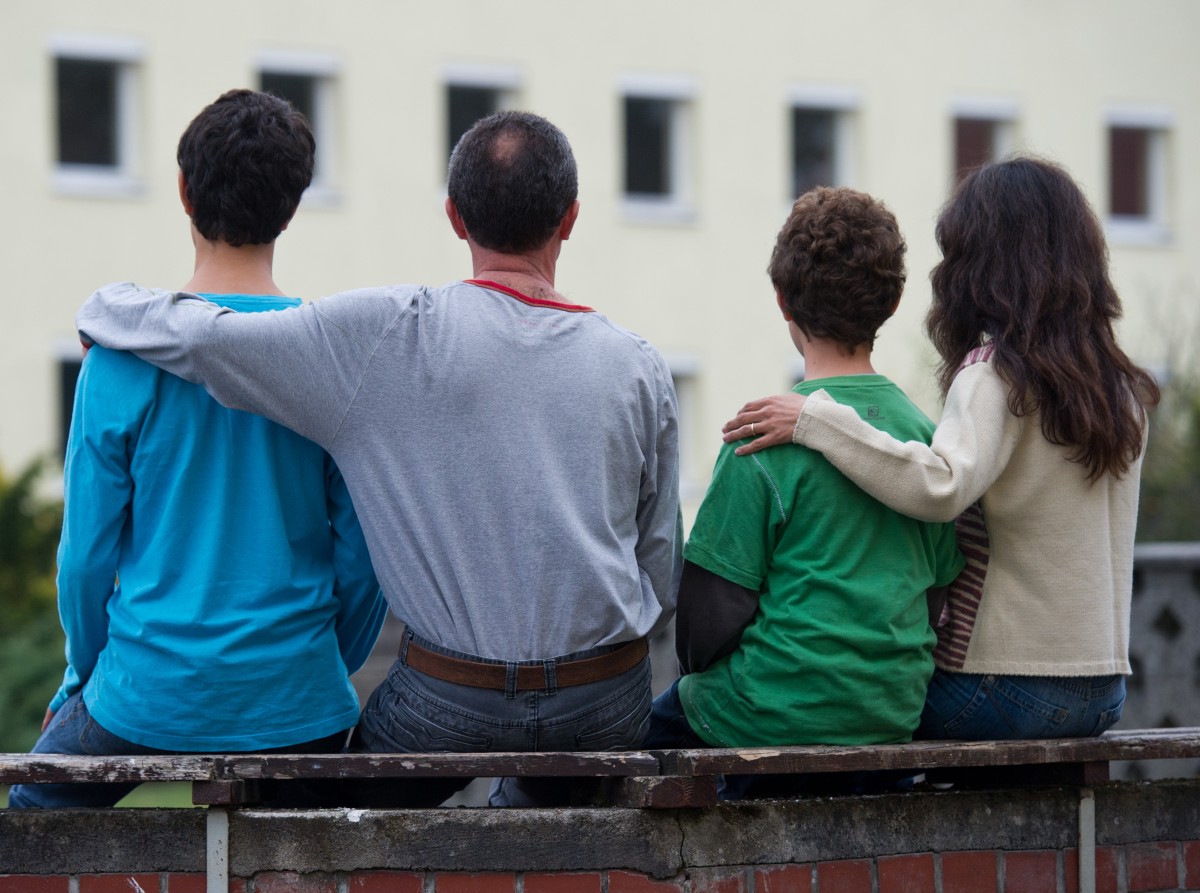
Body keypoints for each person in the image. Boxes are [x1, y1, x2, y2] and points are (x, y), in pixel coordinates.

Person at [75, 110, 682, 807]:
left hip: (451, 699)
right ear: (571, 218)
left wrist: (106, 306)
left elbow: (209, 338)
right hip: (603, 699)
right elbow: (659, 572)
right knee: (539, 818)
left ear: (454, 216)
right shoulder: (640, 366)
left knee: (336, 820)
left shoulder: (389, 336)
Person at [9, 89, 385, 809]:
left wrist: (83, 679)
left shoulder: (119, 360)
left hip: (146, 689)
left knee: (28, 821)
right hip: (296, 696)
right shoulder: (330, 362)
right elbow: (364, 562)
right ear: (294, 204)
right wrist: (313, 667)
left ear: (183, 192)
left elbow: (85, 557)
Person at [722, 157, 1159, 740]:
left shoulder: (997, 374)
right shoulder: (1120, 387)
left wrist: (817, 420)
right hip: (1103, 690)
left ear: (984, 264)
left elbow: (940, 485)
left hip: (1002, 683)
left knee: (855, 706)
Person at [643, 186, 963, 787]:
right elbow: (934, 599)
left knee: (642, 738)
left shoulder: (761, 438)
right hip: (889, 719)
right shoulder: (926, 443)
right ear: (893, 303)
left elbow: (705, 628)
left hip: (765, 719)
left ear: (782, 300)